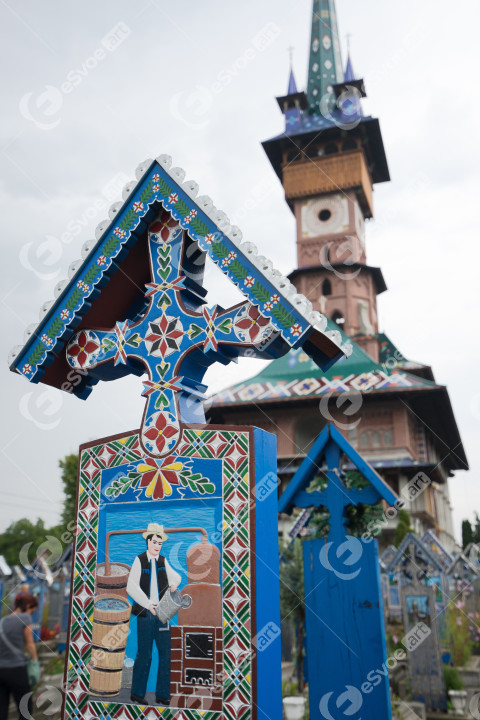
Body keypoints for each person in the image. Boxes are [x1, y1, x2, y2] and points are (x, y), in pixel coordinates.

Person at [126, 523, 181, 707]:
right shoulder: (139, 560)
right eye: (154, 542)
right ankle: (137, 693)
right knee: (145, 654)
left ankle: (163, 694)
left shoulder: (163, 561)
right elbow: (131, 587)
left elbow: (176, 576)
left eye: (160, 543)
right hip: (145, 613)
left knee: (166, 653)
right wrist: (147, 604)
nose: (157, 546)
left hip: (163, 612)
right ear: (148, 541)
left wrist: (173, 584)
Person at [0, 594, 39, 720]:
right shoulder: (25, 618)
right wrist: (34, 661)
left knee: (1, 710)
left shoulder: (3, 621)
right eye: (32, 611)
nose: (31, 614)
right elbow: (30, 644)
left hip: (1, 670)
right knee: (25, 709)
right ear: (28, 606)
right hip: (16, 670)